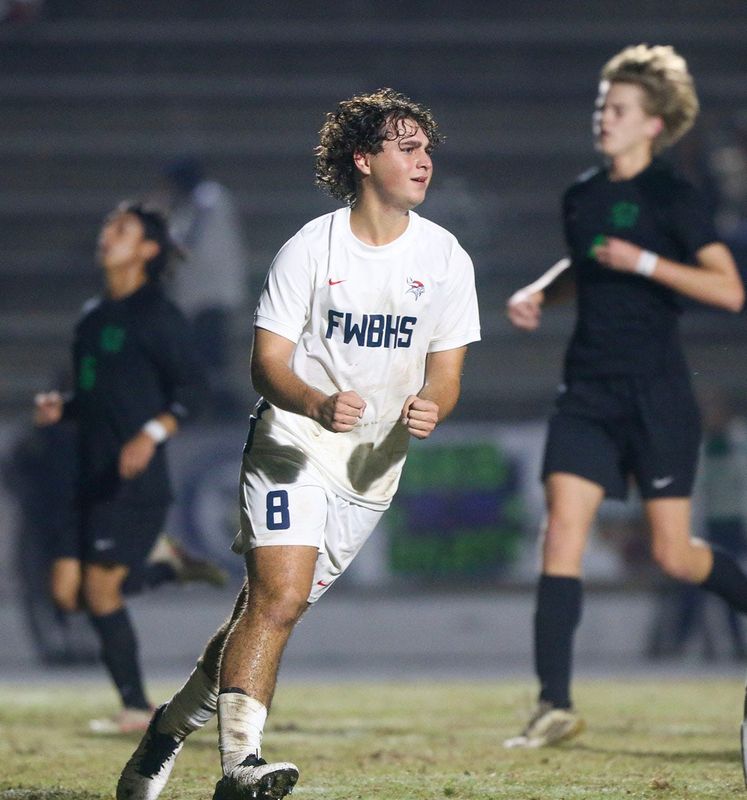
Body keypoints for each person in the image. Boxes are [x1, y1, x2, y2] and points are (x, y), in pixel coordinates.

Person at [116, 87, 480, 800]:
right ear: (363, 159)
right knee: (276, 600)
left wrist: (431, 406)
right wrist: (314, 401)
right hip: (292, 445)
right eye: (406, 146)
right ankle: (241, 768)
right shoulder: (312, 248)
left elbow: (447, 373)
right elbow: (267, 365)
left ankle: (165, 732)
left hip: (370, 475)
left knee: (263, 616)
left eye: (426, 147)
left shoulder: (444, 258)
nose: (423, 160)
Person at [504, 44, 746, 748]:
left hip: (656, 394)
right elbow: (587, 262)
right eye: (599, 107)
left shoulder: (674, 197)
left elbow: (728, 290)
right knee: (561, 531)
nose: (600, 118)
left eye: (616, 109)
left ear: (651, 124)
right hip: (585, 390)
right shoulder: (580, 194)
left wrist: (643, 261)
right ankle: (553, 705)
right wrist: (539, 292)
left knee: (673, 555)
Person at [34, 202, 208, 733]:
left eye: (122, 229)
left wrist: (151, 434)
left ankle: (136, 707)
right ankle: (162, 566)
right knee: (66, 592)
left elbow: (192, 392)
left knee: (99, 591)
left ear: (148, 250)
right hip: (83, 476)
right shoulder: (92, 317)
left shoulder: (158, 315)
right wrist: (62, 407)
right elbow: (95, 395)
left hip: (131, 482)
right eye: (108, 226)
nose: (107, 235)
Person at [159, 156, 251, 418]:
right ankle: (214, 405)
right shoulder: (191, 205)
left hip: (211, 293)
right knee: (205, 354)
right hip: (197, 293)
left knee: (211, 353)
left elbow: (187, 242)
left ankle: (222, 407)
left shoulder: (208, 199)